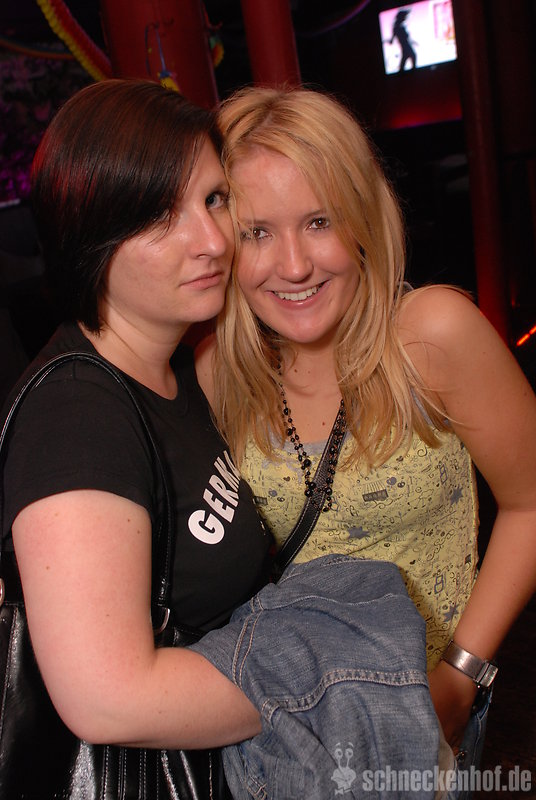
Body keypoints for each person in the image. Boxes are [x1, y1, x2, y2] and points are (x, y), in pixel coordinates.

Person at [196, 85, 536, 771]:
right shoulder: (220, 370)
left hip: (430, 708)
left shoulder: (431, 335)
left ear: (360, 220)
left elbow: (531, 503)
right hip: (290, 724)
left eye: (318, 221)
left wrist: (462, 675)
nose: (294, 265)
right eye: (258, 233)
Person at [0, 78, 272, 796]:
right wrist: (325, 690)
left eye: (214, 199)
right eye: (160, 216)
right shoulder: (77, 415)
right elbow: (107, 698)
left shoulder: (174, 365)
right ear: (89, 239)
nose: (212, 241)